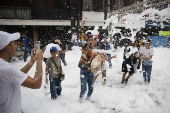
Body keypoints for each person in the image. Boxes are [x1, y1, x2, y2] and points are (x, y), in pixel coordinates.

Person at [0, 31, 43, 113]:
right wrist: (40, 60)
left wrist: (32, 61)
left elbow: (16, 75)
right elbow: (36, 84)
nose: (16, 45)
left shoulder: (4, 67)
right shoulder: (6, 68)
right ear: (7, 47)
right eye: (14, 43)